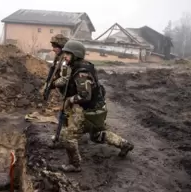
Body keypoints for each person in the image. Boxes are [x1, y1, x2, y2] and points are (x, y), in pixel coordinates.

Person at [51, 40, 134, 172]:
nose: (65, 56)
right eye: (65, 53)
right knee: (97, 134)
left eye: (68, 54)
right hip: (97, 108)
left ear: (76, 55)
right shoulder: (81, 66)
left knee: (68, 137)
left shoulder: (81, 72)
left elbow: (85, 96)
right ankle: (124, 144)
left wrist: (70, 100)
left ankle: (75, 164)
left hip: (90, 110)